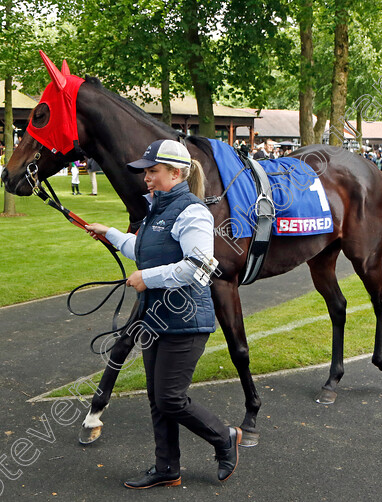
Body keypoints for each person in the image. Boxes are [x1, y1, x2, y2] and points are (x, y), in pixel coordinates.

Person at [84, 139, 241, 489]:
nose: (147, 179)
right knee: (158, 398)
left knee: (170, 397)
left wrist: (147, 278)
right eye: (146, 172)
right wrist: (109, 234)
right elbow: (144, 248)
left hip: (186, 321)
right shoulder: (156, 209)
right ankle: (167, 468)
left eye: (153, 171)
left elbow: (200, 266)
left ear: (176, 173)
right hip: (156, 321)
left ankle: (224, 436)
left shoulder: (193, 211)